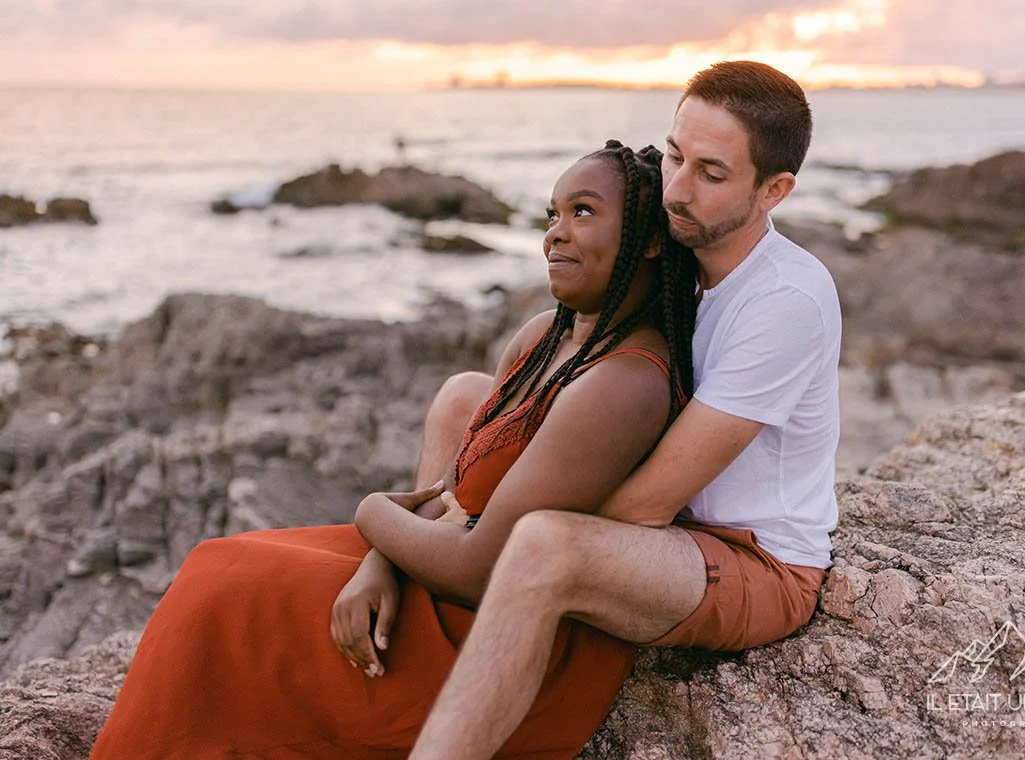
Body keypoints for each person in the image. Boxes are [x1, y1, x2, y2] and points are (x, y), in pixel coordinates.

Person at [89, 141, 697, 760]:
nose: (555, 234)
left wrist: (372, 511)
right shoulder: (544, 337)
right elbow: (446, 495)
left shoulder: (626, 382)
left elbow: (483, 571)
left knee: (222, 600)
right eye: (552, 214)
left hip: (504, 640)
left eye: (584, 212)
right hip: (438, 571)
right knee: (216, 565)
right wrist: (378, 564)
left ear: (650, 239)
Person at [406, 60, 841, 759]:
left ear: (774, 190)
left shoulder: (783, 300)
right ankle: (421, 601)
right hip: (671, 536)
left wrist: (485, 534)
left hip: (751, 559)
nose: (677, 188)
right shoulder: (676, 260)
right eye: (673, 156)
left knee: (543, 542)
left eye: (711, 173)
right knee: (465, 396)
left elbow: (645, 506)